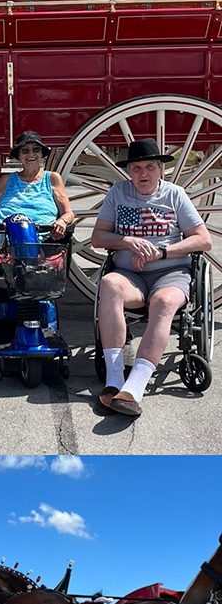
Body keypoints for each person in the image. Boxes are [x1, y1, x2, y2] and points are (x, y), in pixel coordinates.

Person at [92, 138, 212, 417]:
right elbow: (98, 237)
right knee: (108, 284)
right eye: (135, 168)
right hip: (129, 275)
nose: (142, 174)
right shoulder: (117, 193)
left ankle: (134, 388)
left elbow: (203, 241)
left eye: (149, 167)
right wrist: (128, 241)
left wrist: (162, 252)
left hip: (170, 273)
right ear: (128, 171)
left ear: (160, 170)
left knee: (164, 302)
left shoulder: (175, 195)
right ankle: (113, 382)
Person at [0, 130, 75, 339]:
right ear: (19, 156)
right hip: (0, 234)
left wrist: (62, 221)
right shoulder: (8, 179)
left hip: (37, 237)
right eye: (25, 150)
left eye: (36, 149)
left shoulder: (52, 179)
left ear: (42, 154)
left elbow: (68, 213)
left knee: (31, 251)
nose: (31, 154)